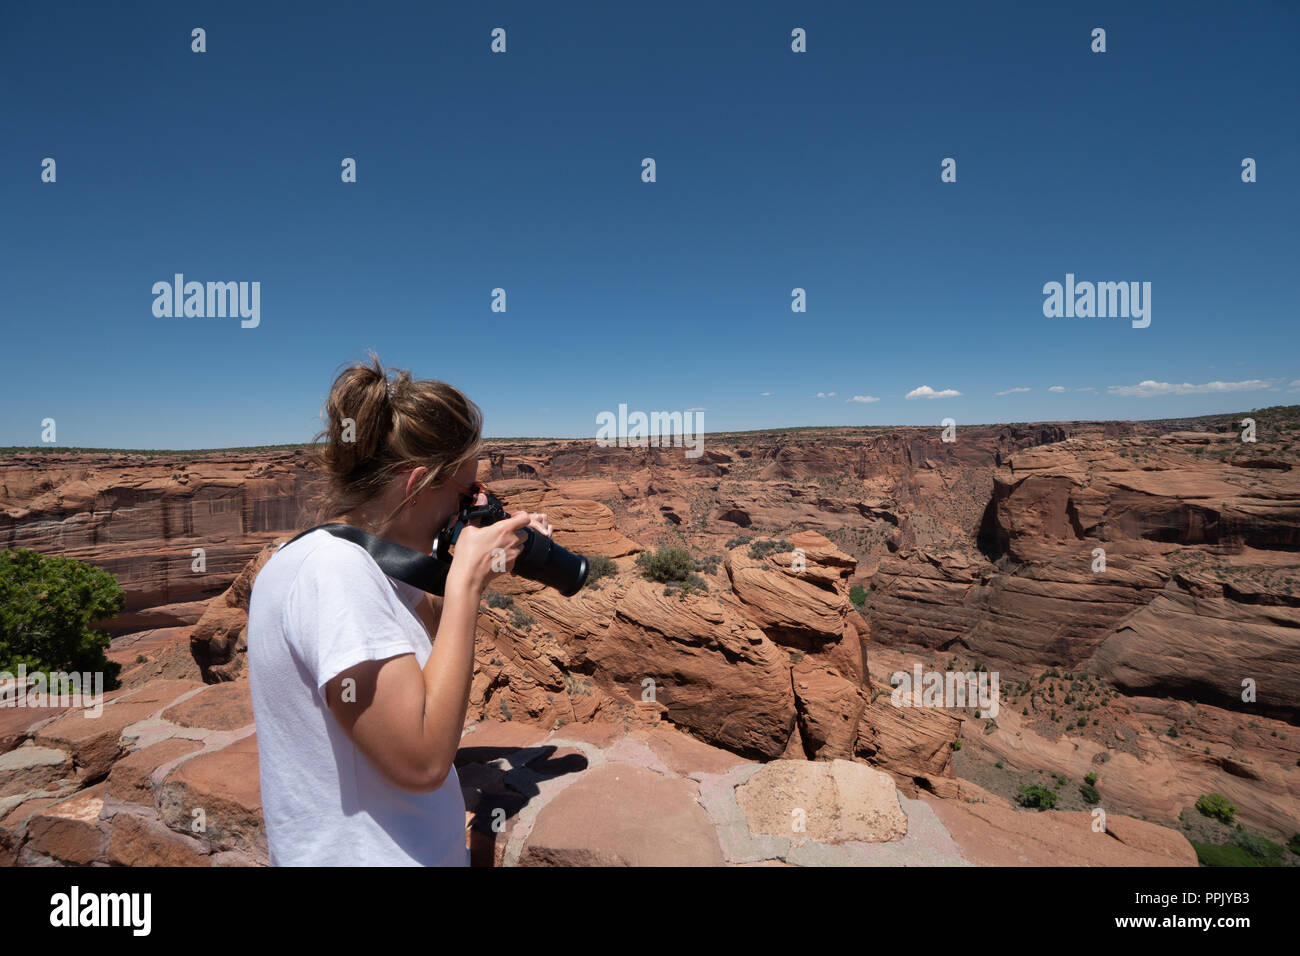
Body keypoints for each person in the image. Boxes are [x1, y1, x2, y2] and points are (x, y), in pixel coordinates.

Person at [246, 353, 550, 865]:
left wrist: (459, 566)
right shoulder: (336, 573)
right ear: (416, 485)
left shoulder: (327, 557)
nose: (471, 505)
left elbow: (421, 659)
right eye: (465, 490)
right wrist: (466, 587)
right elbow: (422, 762)